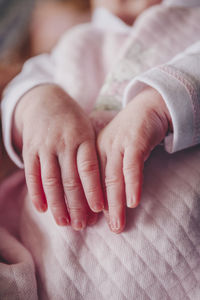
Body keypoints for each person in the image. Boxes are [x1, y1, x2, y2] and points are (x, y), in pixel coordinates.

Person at [1, 0, 200, 298]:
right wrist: (38, 102)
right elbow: (19, 87)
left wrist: (157, 104)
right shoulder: (76, 42)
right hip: (36, 259)